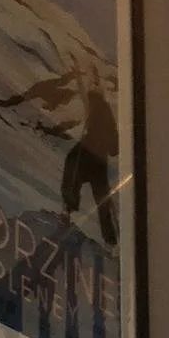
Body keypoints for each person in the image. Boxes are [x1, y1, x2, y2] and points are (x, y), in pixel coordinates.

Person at [61, 60, 119, 248]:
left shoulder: (99, 108)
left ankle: (68, 211)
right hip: (96, 159)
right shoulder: (98, 106)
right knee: (101, 198)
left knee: (73, 169)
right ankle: (110, 240)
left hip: (90, 155)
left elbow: (114, 145)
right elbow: (114, 147)